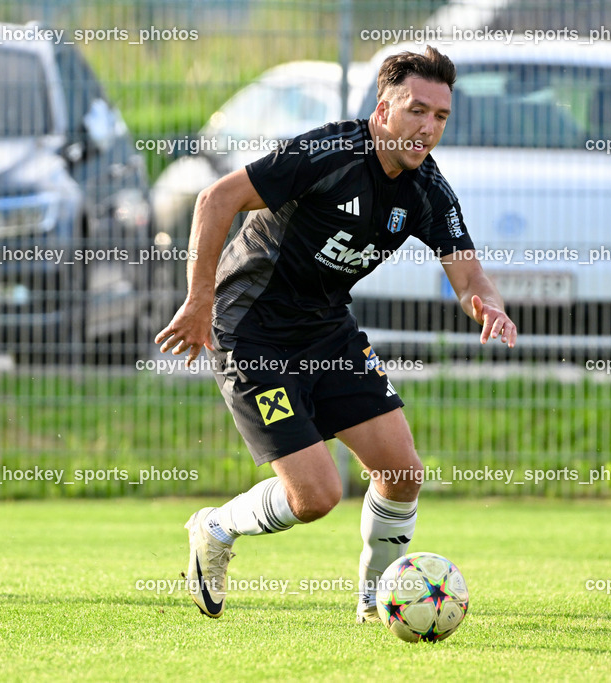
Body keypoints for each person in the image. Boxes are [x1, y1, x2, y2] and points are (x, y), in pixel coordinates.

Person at [156, 46, 517, 621]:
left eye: (440, 117)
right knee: (317, 497)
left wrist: (489, 307)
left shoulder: (428, 190)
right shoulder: (328, 153)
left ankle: (380, 599)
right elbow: (215, 198)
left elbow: (468, 273)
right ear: (382, 111)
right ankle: (215, 528)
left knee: (402, 474)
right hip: (253, 332)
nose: (428, 128)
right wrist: (198, 300)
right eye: (416, 110)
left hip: (326, 330)